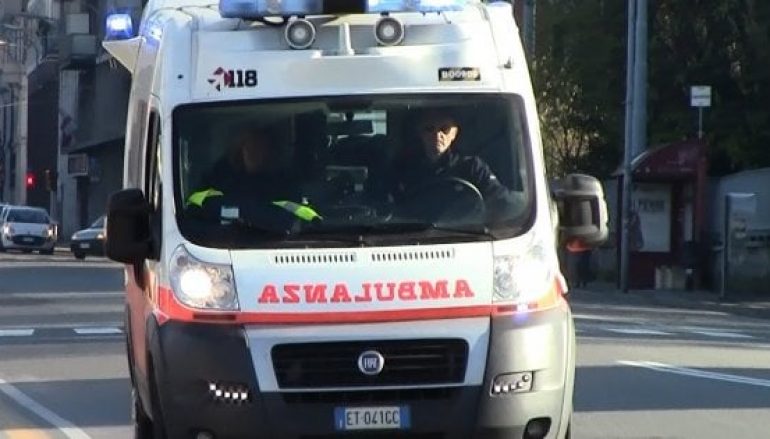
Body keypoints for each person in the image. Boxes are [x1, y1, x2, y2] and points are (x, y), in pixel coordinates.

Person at [391, 109, 516, 221]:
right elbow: (388, 208)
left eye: (445, 129)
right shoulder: (403, 168)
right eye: (429, 129)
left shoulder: (472, 167)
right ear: (420, 133)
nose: (437, 135)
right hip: (413, 235)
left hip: (468, 235)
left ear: (454, 134)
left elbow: (502, 201)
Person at [186, 125, 320, 226]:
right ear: (240, 150)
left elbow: (293, 220)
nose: (255, 154)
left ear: (271, 152)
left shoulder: (285, 185)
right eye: (250, 148)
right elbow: (193, 217)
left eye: (261, 148)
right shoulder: (218, 180)